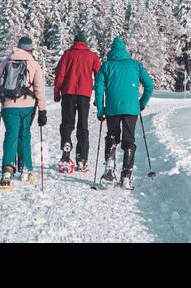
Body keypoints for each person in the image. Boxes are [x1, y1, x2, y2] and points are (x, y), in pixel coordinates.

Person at [93, 36, 154, 189]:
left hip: (112, 108)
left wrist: (101, 109)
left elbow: (99, 89)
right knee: (129, 140)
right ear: (125, 50)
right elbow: (149, 86)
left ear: (111, 52)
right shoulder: (135, 65)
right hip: (131, 109)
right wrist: (141, 104)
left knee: (112, 136)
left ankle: (109, 165)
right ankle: (126, 176)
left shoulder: (106, 66)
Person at [0, 36, 48, 189]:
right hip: (27, 107)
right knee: (24, 135)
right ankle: (26, 168)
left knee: (11, 135)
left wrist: (8, 94)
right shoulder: (34, 64)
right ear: (30, 49)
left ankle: (7, 171)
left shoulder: (6, 61)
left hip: (8, 107)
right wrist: (42, 110)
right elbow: (39, 90)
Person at [52, 31, 101, 174]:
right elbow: (99, 75)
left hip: (68, 93)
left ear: (74, 42)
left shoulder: (67, 54)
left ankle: (66, 152)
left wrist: (57, 93)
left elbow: (60, 74)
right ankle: (82, 159)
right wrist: (98, 97)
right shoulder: (92, 56)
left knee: (67, 123)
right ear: (85, 43)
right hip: (84, 94)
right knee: (83, 126)